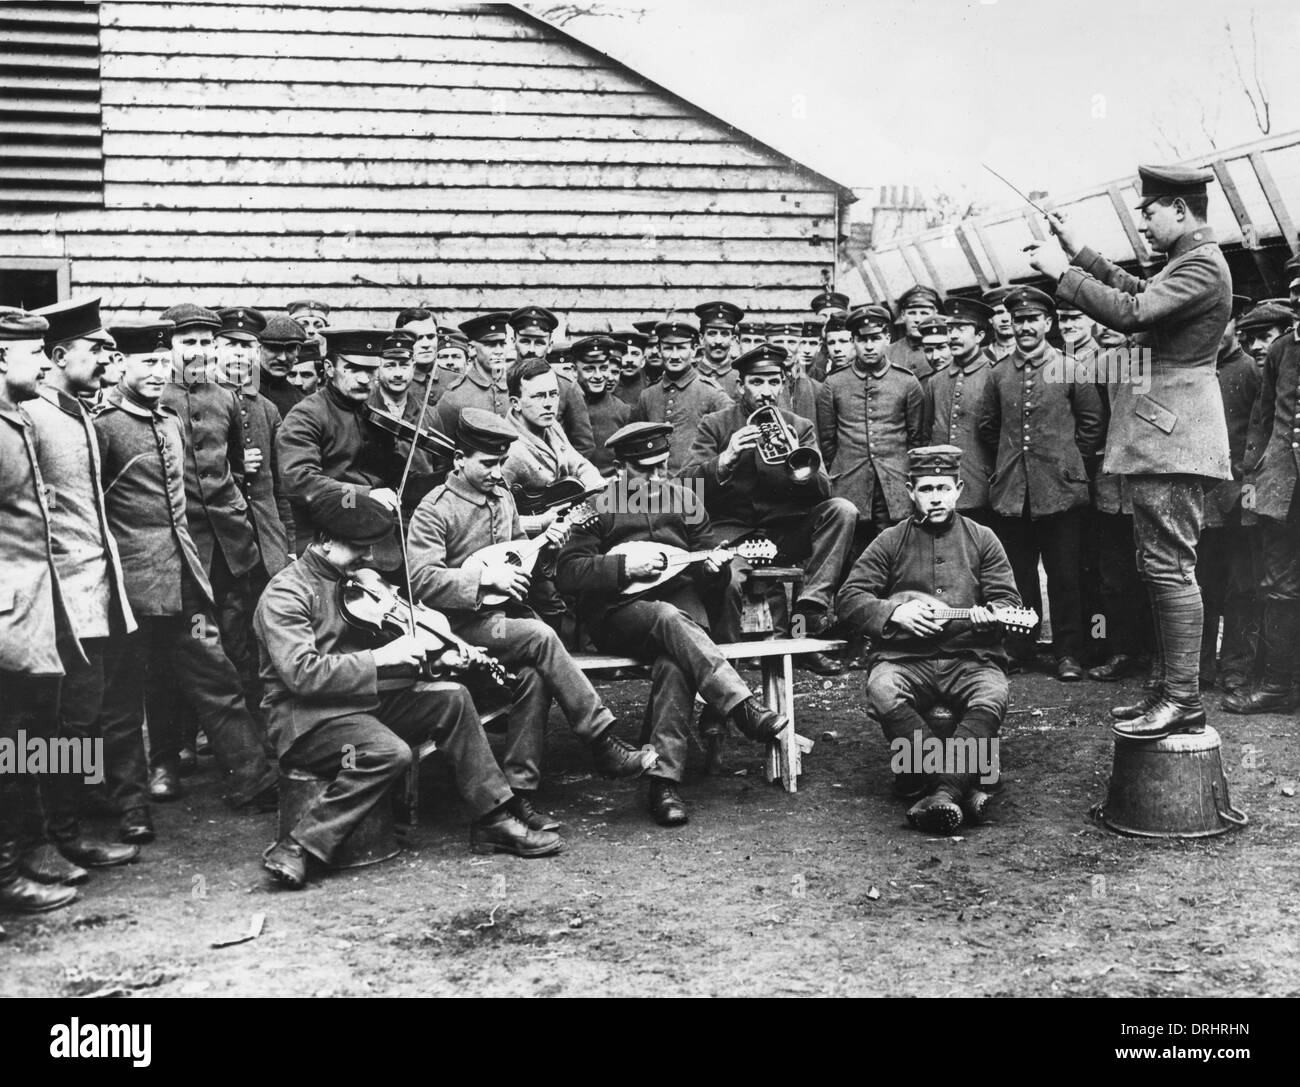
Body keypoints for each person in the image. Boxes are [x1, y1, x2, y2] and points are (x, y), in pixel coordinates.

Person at [256, 491, 560, 887]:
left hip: (361, 702)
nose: (369, 559)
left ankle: (494, 818)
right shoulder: (285, 593)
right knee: (390, 752)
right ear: (325, 540)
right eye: (359, 549)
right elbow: (303, 675)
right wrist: (384, 658)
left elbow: (383, 651)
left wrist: (438, 661)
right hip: (308, 719)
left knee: (452, 697)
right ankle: (298, 845)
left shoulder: (355, 582)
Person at [1028, 164, 1232, 738]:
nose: (1142, 223)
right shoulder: (1190, 264)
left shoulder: (1199, 264)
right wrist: (1080, 250)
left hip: (1173, 439)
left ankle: (1183, 700)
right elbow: (1140, 293)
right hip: (1164, 437)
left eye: (1148, 212)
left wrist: (1061, 274)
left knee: (1170, 569)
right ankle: (1169, 693)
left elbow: (1132, 313)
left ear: (1178, 209)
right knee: (1160, 567)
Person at [406, 409, 659, 822]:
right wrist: (485, 581)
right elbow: (421, 581)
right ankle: (602, 740)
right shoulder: (435, 509)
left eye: (500, 463)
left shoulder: (502, 495)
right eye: (486, 464)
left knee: (534, 676)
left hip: (502, 622)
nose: (495, 473)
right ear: (458, 459)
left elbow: (522, 554)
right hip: (454, 630)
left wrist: (550, 545)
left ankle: (517, 792)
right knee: (540, 636)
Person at [556, 422, 789, 826]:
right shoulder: (596, 506)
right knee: (666, 620)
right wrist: (622, 565)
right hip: (621, 617)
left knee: (675, 658)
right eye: (646, 470)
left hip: (684, 613)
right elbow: (569, 574)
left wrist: (714, 569)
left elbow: (704, 567)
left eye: (663, 467)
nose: (658, 478)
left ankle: (663, 785)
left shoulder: (686, 499)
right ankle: (742, 706)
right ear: (620, 468)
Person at [93, 321, 279, 812]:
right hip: (136, 578)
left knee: (217, 664)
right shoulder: (105, 424)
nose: (162, 369)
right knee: (142, 680)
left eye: (162, 361)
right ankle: (151, 775)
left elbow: (234, 474)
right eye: (150, 360)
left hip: (197, 565)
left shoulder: (200, 409)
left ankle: (251, 774)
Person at [838, 445, 1022, 833]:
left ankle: (935, 791)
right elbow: (849, 599)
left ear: (958, 488)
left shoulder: (983, 538)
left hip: (970, 657)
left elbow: (1008, 602)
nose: (935, 497)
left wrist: (989, 619)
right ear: (910, 491)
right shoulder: (890, 540)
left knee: (991, 693)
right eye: (925, 489)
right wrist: (893, 612)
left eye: (943, 488)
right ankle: (960, 787)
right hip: (905, 659)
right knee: (883, 689)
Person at [25, 300, 146, 867]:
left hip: (96, 594)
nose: (107, 359)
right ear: (56, 356)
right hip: (60, 601)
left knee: (85, 714)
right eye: (96, 350)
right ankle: (58, 835)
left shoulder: (74, 413)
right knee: (59, 723)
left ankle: (70, 822)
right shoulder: (32, 419)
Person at [684, 344, 856, 675]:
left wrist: (798, 462)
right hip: (733, 537)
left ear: (783, 384)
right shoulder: (715, 425)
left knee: (842, 510)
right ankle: (728, 669)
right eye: (757, 383)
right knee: (728, 581)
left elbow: (824, 490)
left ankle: (807, 611)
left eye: (773, 382)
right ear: (740, 385)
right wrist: (726, 459)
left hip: (783, 535)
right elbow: (688, 486)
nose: (767, 392)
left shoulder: (799, 425)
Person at [156, 303, 265, 792]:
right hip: (185, 551)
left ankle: (240, 756)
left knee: (238, 645)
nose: (199, 352)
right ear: (171, 348)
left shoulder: (228, 399)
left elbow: (240, 470)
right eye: (188, 342)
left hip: (230, 546)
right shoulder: (156, 399)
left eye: (206, 342)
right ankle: (170, 751)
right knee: (187, 651)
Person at [975, 286, 1103, 681]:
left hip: (1061, 492)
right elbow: (987, 426)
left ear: (1048, 324)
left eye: (1033, 320)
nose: (1025, 327)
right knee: (1018, 576)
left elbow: (1092, 425)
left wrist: (1066, 463)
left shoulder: (1071, 368)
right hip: (1013, 493)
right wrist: (1013, 462)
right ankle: (1019, 647)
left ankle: (1068, 653)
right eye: (1018, 321)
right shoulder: (998, 374)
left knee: (1065, 576)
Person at [0, 306, 82, 918]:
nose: (47, 362)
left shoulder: (16, 418)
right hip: (6, 615)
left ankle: (32, 846)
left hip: (32, 609)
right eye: (34, 353)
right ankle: (6, 872)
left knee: (29, 738)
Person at [279, 326, 450, 555]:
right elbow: (299, 482)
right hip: (326, 541)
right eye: (352, 369)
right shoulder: (307, 415)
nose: (363, 379)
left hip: (375, 536)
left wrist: (445, 478)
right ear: (329, 369)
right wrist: (364, 495)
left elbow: (397, 480)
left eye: (370, 370)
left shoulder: (371, 415)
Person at [1231, 290, 1300, 713]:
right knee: (1280, 585)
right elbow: (1263, 419)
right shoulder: (1281, 350)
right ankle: (1277, 686)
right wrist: (1255, 479)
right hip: (1283, 487)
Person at [1197, 307, 1264, 695]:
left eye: (1221, 321)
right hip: (1201, 500)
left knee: (1241, 586)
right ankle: (1201, 667)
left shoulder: (1251, 371)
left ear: (1235, 325)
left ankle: (1236, 665)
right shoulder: (1195, 369)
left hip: (1239, 497)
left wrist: (1242, 479)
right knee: (1201, 585)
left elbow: (1261, 428)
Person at [816, 304, 925, 540]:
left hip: (894, 483)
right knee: (852, 548)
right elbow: (827, 440)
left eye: (875, 338)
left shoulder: (906, 382)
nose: (868, 346)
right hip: (849, 481)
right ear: (853, 340)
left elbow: (916, 439)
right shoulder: (834, 384)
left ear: (887, 337)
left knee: (893, 547)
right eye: (861, 339)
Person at [923, 298, 996, 522]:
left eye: (961, 329)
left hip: (982, 486)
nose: (953, 335)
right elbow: (927, 432)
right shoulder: (936, 381)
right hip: (941, 487)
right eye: (951, 329)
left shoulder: (994, 375)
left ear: (980, 336)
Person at [630, 319, 731, 475]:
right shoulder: (648, 395)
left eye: (681, 348)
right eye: (668, 348)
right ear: (659, 349)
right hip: (654, 487)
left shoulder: (712, 394)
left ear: (694, 349)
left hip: (697, 486)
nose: (675, 356)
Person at [509, 306, 595, 457]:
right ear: (513, 341)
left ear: (549, 346)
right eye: (525, 341)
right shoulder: (500, 381)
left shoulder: (566, 386)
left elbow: (583, 444)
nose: (531, 349)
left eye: (540, 343)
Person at [431, 312, 512, 436]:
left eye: (502, 344)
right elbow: (442, 449)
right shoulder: (453, 398)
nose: (499, 351)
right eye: (490, 345)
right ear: (472, 349)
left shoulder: (516, 387)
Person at [573, 337, 631, 476]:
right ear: (574, 370)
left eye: (604, 368)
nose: (598, 376)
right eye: (589, 369)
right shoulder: (566, 407)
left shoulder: (622, 410)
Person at [884, 285, 942, 380]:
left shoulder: (945, 351)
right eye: (912, 313)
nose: (917, 319)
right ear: (903, 315)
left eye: (924, 313)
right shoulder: (888, 353)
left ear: (935, 314)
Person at [694, 300, 744, 398]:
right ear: (701, 338)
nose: (718, 341)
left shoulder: (741, 377)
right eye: (712, 333)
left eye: (724, 334)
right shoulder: (690, 374)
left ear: (733, 339)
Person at [394, 307, 443, 407]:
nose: (426, 344)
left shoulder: (455, 380)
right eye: (417, 338)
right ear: (400, 340)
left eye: (431, 337)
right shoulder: (393, 382)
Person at [610, 328, 650, 406]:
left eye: (635, 354)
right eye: (624, 353)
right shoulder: (607, 389)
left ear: (643, 361)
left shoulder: (651, 391)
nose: (629, 360)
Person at [981, 287, 1016, 364]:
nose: (1005, 319)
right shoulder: (979, 355)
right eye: (999, 312)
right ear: (990, 319)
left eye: (1010, 312)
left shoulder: (1033, 352)